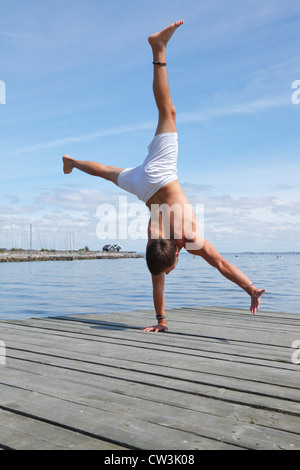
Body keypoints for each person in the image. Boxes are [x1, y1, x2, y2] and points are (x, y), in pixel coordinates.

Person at [63, 20, 266, 333]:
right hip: (144, 188)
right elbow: (177, 277)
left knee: (167, 112)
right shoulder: (155, 245)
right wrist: (248, 288)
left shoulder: (186, 238)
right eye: (169, 270)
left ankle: (158, 49)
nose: (167, 273)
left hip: (158, 177)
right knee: (107, 172)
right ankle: (74, 161)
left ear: (174, 255)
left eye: (168, 270)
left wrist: (250, 288)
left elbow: (221, 263)